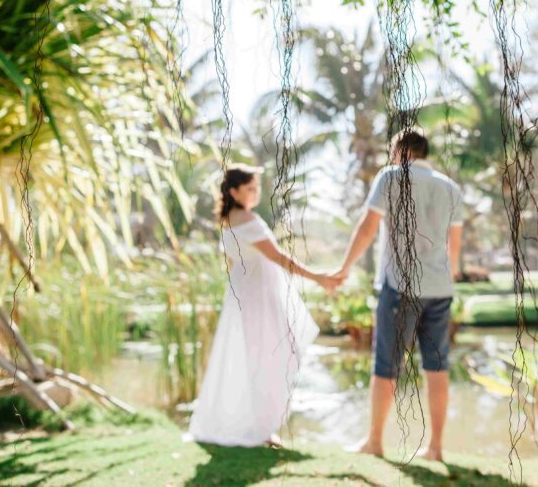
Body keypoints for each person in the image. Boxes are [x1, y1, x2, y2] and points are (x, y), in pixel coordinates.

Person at [187, 163, 342, 447]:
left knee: (258, 358)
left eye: (257, 187)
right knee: (271, 356)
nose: (256, 193)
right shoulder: (248, 220)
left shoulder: (228, 222)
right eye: (250, 188)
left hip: (244, 296)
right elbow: (279, 257)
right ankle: (261, 428)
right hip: (258, 297)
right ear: (233, 191)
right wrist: (318, 277)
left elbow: (234, 264)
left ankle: (259, 426)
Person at [333, 129, 464, 461]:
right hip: (439, 290)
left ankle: (375, 442)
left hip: (400, 289)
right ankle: (435, 448)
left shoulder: (391, 176)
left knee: (386, 366)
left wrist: (344, 267)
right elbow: (455, 245)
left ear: (398, 152)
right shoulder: (450, 187)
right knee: (437, 368)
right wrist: (449, 278)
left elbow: (367, 227)